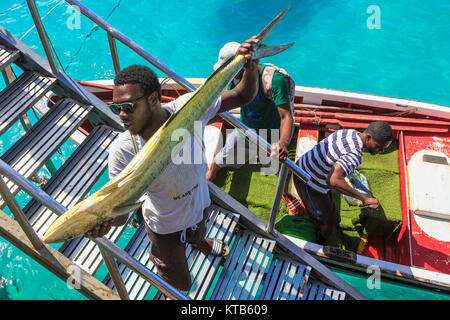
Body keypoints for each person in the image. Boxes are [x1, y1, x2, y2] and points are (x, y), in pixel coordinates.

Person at [85, 37, 260, 292]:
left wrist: (251, 69)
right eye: (116, 108)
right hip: (164, 227)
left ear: (154, 99)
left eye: (128, 107)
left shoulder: (190, 108)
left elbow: (242, 95)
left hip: (199, 204)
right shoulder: (123, 151)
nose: (122, 115)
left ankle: (201, 243)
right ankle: (165, 259)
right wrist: (106, 222)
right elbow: (122, 212)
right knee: (180, 284)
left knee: (198, 235)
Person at [206, 41, 303, 215]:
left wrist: (282, 143)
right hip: (244, 131)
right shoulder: (235, 79)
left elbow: (286, 116)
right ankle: (208, 178)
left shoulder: (274, 80)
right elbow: (223, 103)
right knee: (220, 159)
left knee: (281, 171)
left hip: (270, 137)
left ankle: (285, 194)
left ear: (243, 67)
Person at [291, 121, 393, 244]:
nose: (381, 151)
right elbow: (333, 180)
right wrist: (364, 199)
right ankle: (318, 243)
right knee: (330, 223)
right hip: (307, 182)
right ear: (368, 137)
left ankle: (316, 213)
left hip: (303, 166)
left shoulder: (350, 133)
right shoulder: (355, 154)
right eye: (379, 147)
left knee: (332, 205)